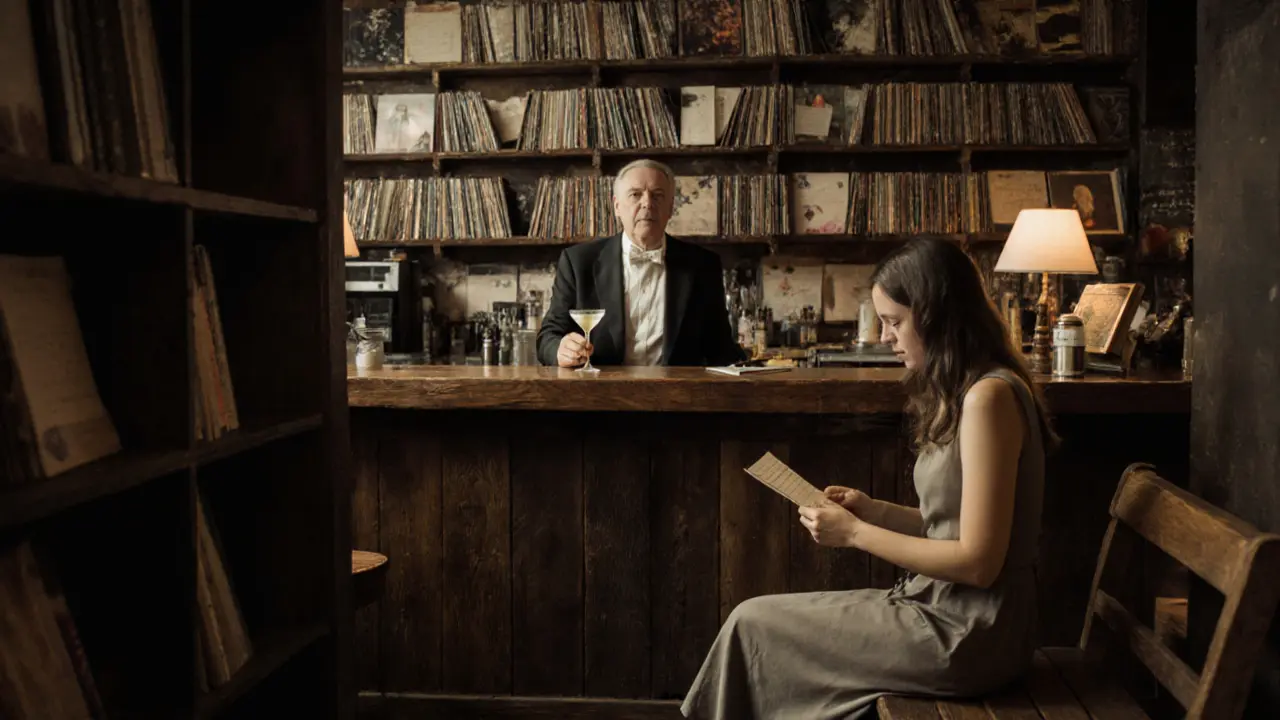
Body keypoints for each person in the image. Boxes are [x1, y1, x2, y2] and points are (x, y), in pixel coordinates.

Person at [681, 238, 1057, 719]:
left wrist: (855, 534)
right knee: (755, 625)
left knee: (751, 623)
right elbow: (954, 527)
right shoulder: (969, 390)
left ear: (938, 314)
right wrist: (873, 510)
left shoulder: (989, 399)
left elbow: (979, 562)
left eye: (895, 321)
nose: (884, 337)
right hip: (946, 611)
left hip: (971, 633)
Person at [536, 159, 746, 368]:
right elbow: (548, 336)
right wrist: (559, 349)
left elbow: (720, 348)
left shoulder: (703, 265)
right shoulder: (578, 262)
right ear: (617, 206)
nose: (647, 203)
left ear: (671, 207)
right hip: (601, 395)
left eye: (658, 195)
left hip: (679, 396)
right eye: (636, 194)